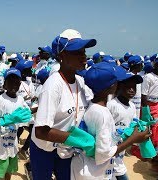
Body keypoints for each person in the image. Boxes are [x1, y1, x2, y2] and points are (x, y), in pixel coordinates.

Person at [30, 29, 96, 180]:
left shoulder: (81, 82)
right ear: (62, 56)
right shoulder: (53, 86)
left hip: (66, 150)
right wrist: (78, 139)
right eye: (77, 52)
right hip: (44, 149)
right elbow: (41, 131)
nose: (84, 57)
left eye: (84, 52)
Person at [71, 62, 150, 179]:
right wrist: (133, 139)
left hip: (94, 169)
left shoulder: (94, 107)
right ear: (111, 87)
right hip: (94, 173)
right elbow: (103, 154)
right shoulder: (102, 113)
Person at [0, 68, 31, 180]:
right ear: (4, 85)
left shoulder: (20, 100)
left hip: (13, 144)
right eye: (10, 81)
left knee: (9, 172)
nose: (13, 84)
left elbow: (27, 112)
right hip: (0, 146)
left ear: (20, 84)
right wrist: (9, 119)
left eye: (16, 82)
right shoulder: (0, 100)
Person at [107, 70, 143, 180]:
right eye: (128, 87)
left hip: (121, 152)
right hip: (111, 153)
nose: (132, 90)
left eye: (134, 87)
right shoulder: (112, 105)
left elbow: (131, 126)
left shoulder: (132, 106)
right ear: (119, 87)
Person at [15, 60, 36, 159]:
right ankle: (13, 148)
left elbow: (32, 95)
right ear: (23, 72)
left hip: (29, 110)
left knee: (32, 131)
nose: (31, 70)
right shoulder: (17, 83)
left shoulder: (30, 82)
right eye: (28, 69)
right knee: (19, 130)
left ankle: (24, 149)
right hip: (20, 111)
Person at [141, 55, 158, 170]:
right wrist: (147, 111)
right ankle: (150, 156)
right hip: (150, 106)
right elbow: (144, 95)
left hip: (157, 104)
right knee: (151, 130)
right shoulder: (149, 77)